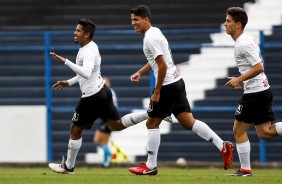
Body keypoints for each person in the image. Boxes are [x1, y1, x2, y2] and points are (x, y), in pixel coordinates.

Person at [128, 5, 234, 175]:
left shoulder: (150, 39)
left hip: (168, 85)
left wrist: (157, 91)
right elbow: (157, 61)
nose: (133, 23)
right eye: (132, 19)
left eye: (136, 20)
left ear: (146, 20)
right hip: (177, 81)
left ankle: (150, 166)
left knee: (152, 123)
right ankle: (222, 145)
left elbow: (161, 66)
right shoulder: (155, 32)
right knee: (188, 122)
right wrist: (140, 72)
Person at [48, 18, 149, 174]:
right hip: (102, 92)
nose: (75, 33)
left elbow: (86, 73)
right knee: (117, 125)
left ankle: (68, 166)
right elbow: (89, 74)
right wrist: (69, 82)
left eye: (78, 30)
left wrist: (65, 61)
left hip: (91, 97)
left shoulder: (87, 51)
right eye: (75, 30)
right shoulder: (90, 47)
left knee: (75, 128)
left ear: (87, 34)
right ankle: (152, 113)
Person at [224, 7, 282, 177]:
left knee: (238, 129)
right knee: (265, 132)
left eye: (228, 21)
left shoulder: (244, 43)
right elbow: (256, 66)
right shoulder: (244, 41)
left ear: (238, 24)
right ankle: (245, 169)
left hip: (255, 94)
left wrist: (240, 80)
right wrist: (242, 80)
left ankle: (245, 169)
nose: (225, 23)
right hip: (260, 90)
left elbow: (259, 67)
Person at [93, 76, 118, 168]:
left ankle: (106, 162)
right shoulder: (101, 92)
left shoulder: (110, 92)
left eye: (105, 82)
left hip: (108, 119)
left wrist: (110, 119)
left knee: (102, 141)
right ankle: (107, 157)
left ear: (109, 83)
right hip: (103, 119)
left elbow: (115, 106)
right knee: (97, 140)